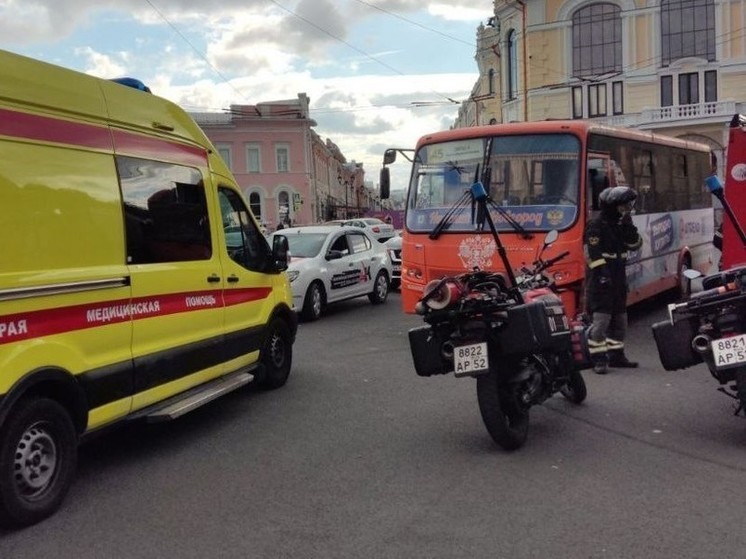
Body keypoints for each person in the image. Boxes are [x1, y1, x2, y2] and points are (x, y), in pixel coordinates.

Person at [584, 186, 643, 374]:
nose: (626, 209)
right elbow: (592, 253)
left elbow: (635, 245)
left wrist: (629, 226)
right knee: (601, 323)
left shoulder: (620, 223)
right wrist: (602, 274)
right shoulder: (596, 225)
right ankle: (598, 360)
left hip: (618, 278)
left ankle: (616, 356)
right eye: (623, 206)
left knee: (620, 321)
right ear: (612, 206)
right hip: (601, 279)